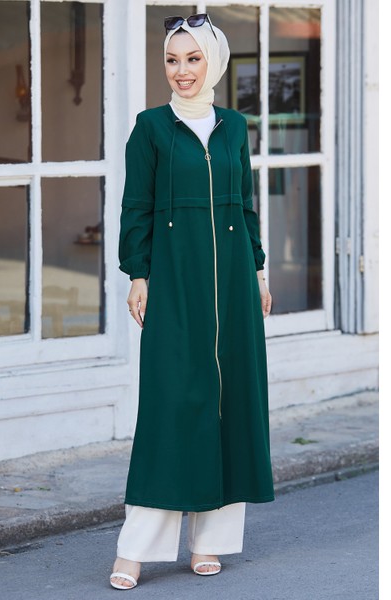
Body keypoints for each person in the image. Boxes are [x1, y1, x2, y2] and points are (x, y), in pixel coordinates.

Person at [110, 13, 274, 591]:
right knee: (170, 406)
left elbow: (245, 204)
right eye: (172, 60)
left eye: (193, 58)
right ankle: (136, 549)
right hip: (175, 281)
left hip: (234, 283)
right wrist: (138, 273)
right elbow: (136, 205)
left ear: (214, 62)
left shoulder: (234, 127)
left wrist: (258, 270)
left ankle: (211, 541)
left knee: (231, 404)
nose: (181, 70)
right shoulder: (151, 127)